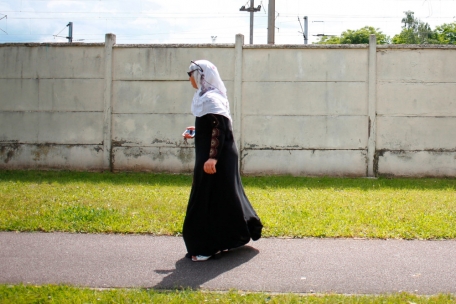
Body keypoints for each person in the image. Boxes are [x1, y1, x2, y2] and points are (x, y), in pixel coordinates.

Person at [183, 60, 263, 262]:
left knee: (206, 199)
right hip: (217, 156)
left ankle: (206, 247)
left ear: (201, 75)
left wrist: (212, 158)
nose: (189, 78)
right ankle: (226, 238)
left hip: (216, 158)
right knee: (223, 198)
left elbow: (220, 129)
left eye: (190, 73)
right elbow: (212, 126)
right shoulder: (207, 97)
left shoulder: (211, 98)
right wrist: (196, 132)